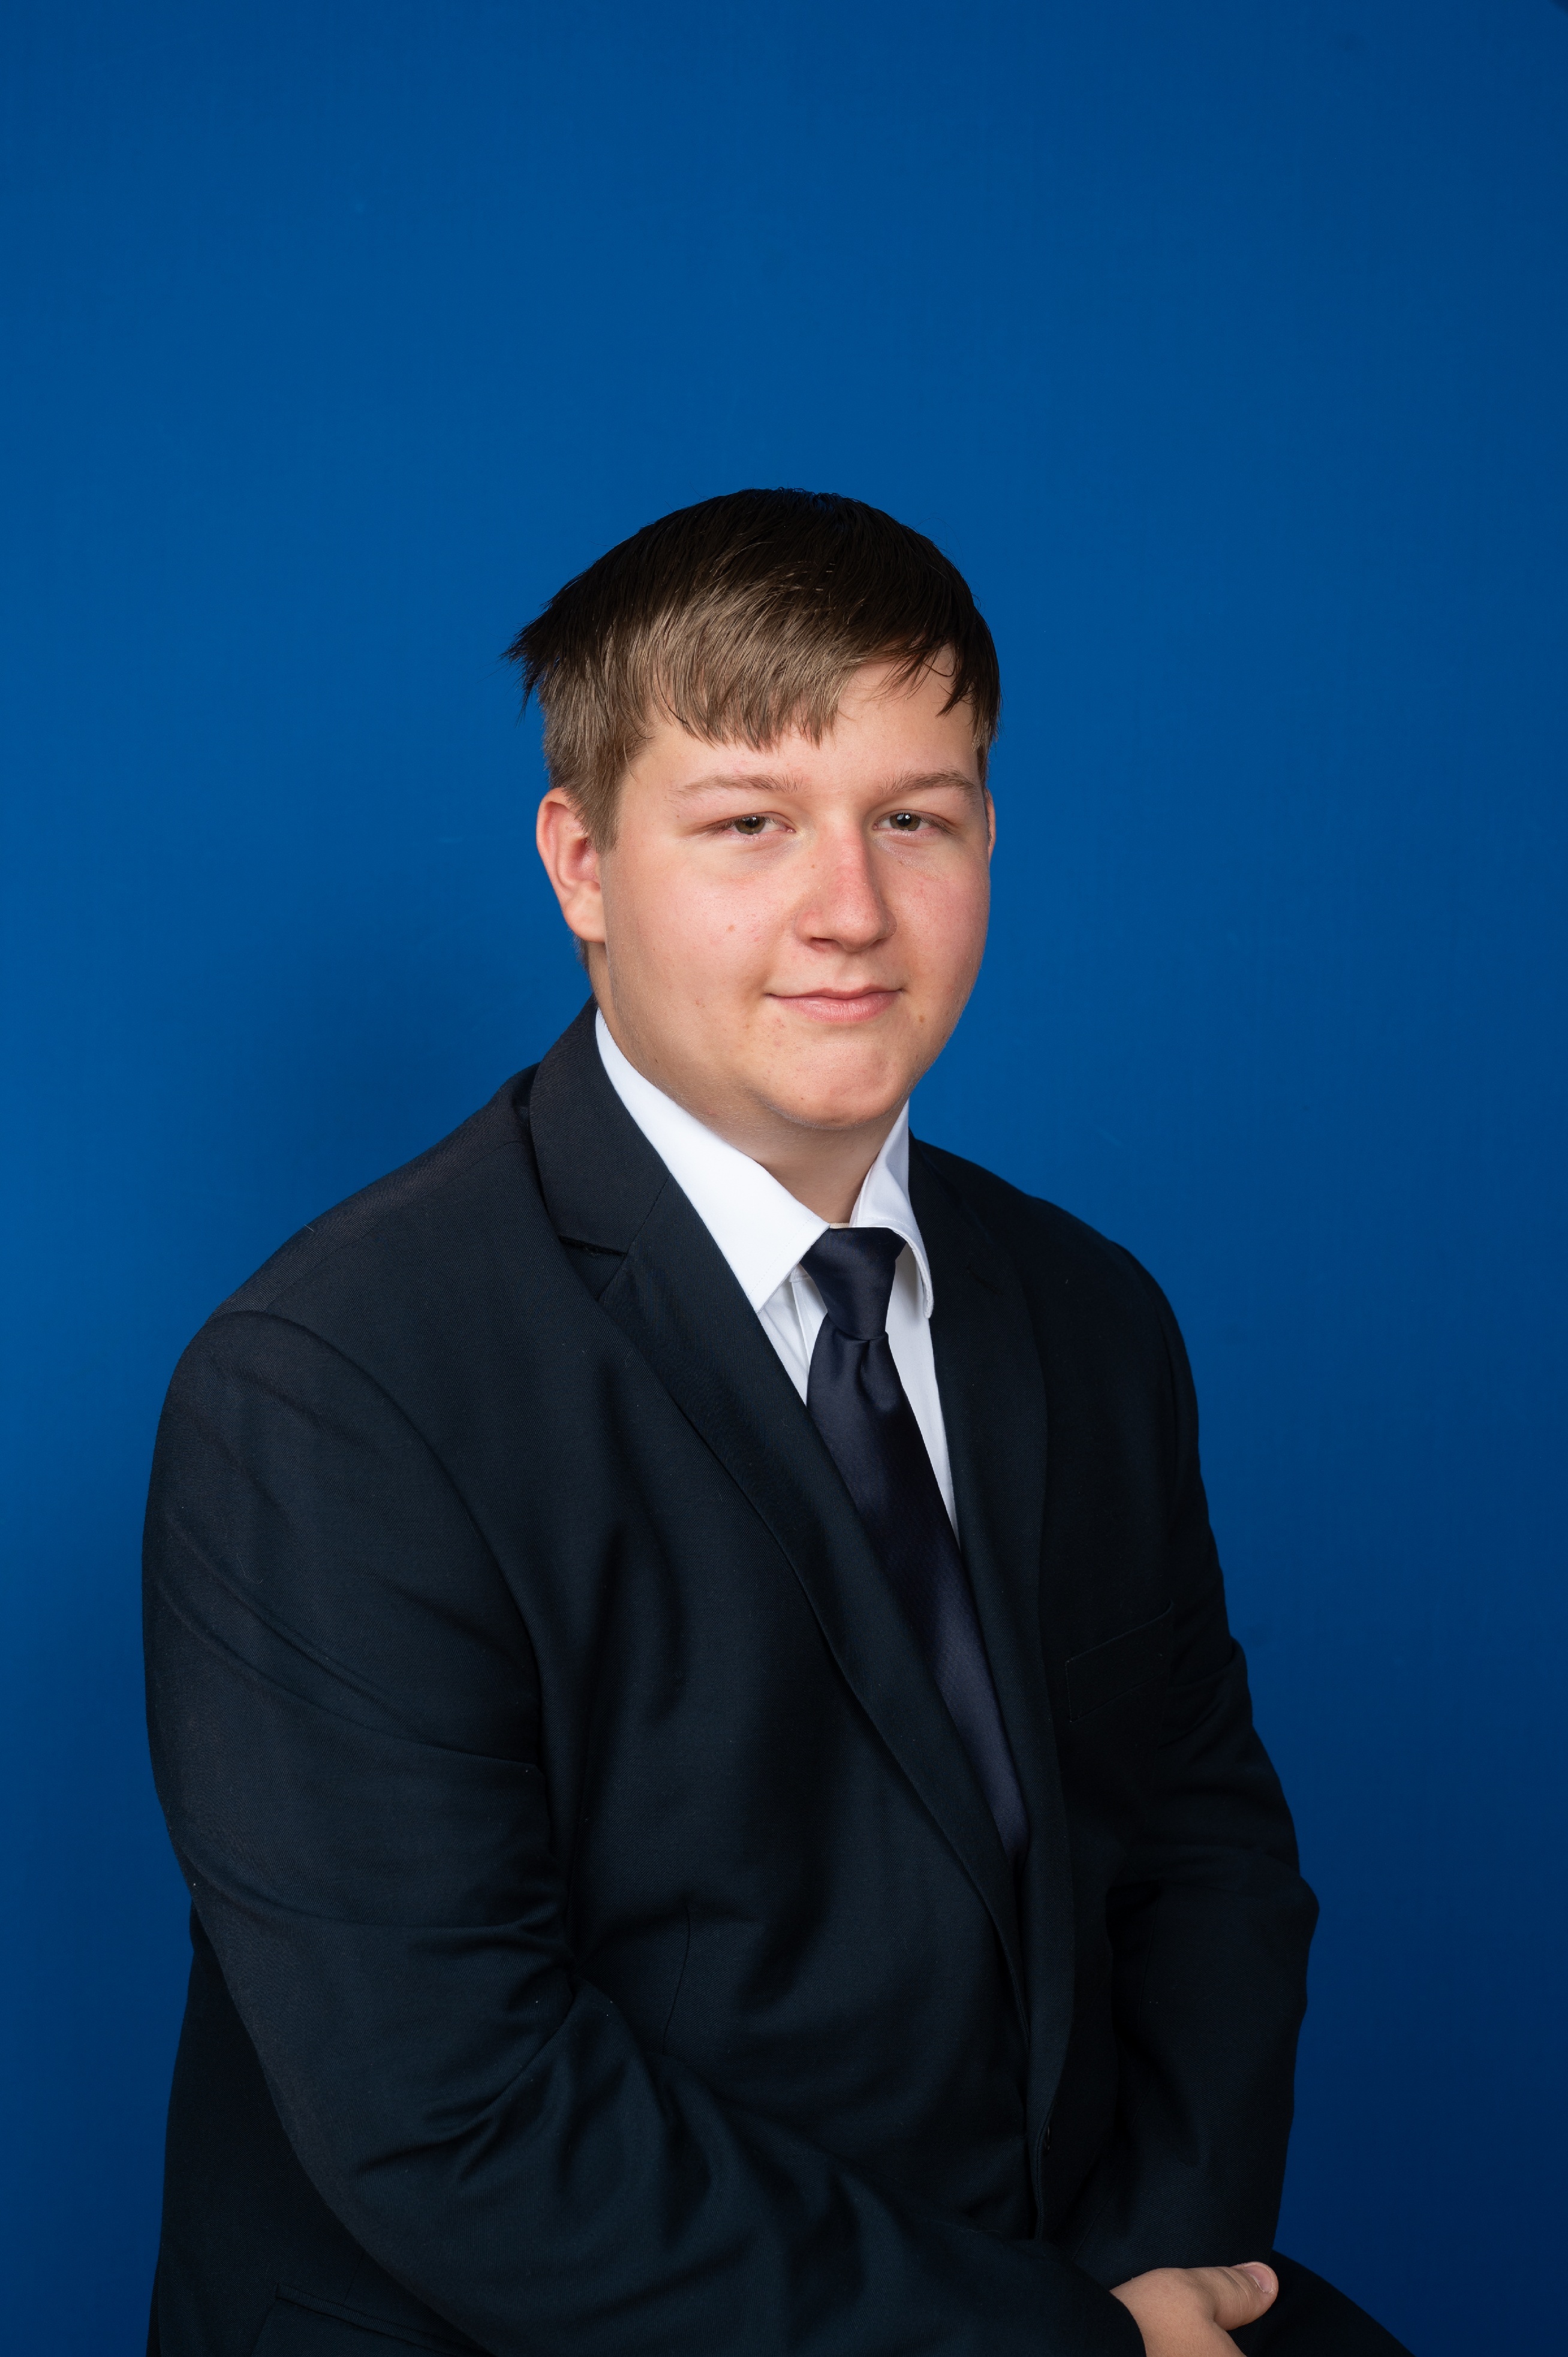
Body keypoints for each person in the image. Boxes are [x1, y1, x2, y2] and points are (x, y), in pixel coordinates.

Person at [143, 490, 1411, 2357]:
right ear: (583, 864)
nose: (852, 910)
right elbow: (461, 2115)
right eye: (751, 823)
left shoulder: (1088, 1316)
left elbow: (1205, 1853)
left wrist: (1160, 2295)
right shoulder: (331, 1391)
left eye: (917, 819)